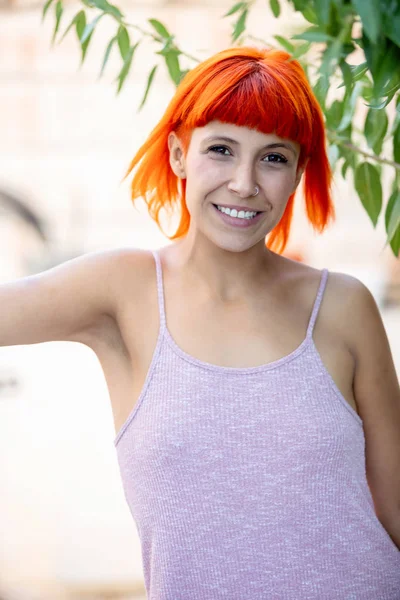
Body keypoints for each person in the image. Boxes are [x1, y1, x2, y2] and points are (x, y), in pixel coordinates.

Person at [1, 45, 400, 598]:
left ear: (297, 173)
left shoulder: (344, 306)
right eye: (221, 149)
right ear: (179, 153)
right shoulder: (123, 290)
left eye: (274, 158)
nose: (243, 182)